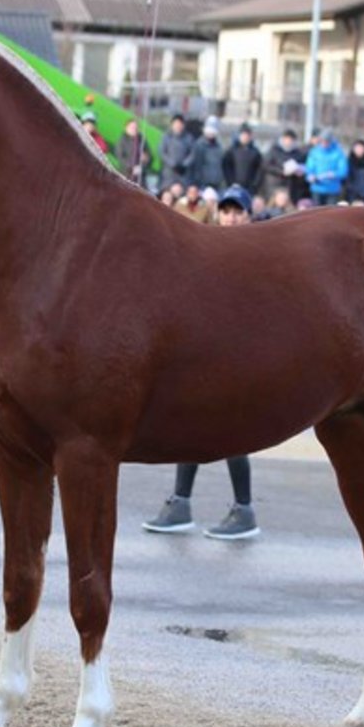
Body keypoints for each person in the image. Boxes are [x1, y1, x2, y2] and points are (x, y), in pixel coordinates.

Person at [143, 185, 260, 540]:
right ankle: (181, 504)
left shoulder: (256, 250)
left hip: (239, 353)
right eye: (226, 210)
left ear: (248, 215)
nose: (230, 217)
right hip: (207, 352)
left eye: (237, 211)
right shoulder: (207, 245)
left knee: (232, 430)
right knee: (191, 425)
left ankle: (244, 510)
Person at [262, 129, 307, 206]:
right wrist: (281, 171)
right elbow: (266, 165)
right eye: (287, 139)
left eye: (291, 140)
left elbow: (302, 167)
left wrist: (298, 171)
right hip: (275, 184)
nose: (289, 141)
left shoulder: (298, 153)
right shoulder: (274, 150)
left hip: (291, 186)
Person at [304, 130, 346, 206]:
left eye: (326, 141)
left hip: (332, 189)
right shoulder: (314, 152)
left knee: (330, 214)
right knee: (317, 214)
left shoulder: (338, 152)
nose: (324, 143)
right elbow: (309, 168)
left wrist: (333, 174)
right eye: (322, 141)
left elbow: (343, 171)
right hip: (317, 189)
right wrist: (310, 176)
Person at [221, 125, 263, 195]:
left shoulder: (255, 152)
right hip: (233, 187)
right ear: (239, 135)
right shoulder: (231, 150)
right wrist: (230, 183)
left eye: (247, 135)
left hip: (249, 188)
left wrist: (254, 186)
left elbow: (259, 170)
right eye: (243, 135)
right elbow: (226, 167)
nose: (245, 137)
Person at [188, 117, 226, 191]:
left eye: (213, 131)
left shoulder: (219, 146)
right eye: (209, 131)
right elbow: (196, 166)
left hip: (216, 184)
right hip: (202, 184)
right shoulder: (199, 145)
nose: (211, 133)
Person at [158, 114, 193, 193]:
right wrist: (173, 164)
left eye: (180, 124)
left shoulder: (188, 138)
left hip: (183, 174)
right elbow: (162, 152)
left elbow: (192, 154)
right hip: (168, 174)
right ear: (172, 125)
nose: (178, 126)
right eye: (176, 124)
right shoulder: (166, 137)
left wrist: (184, 165)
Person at [114, 118, 152, 188]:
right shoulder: (122, 140)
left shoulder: (142, 140)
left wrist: (145, 159)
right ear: (126, 128)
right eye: (132, 127)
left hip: (140, 176)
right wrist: (132, 167)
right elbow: (120, 157)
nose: (134, 129)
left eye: (136, 128)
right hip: (126, 174)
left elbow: (150, 157)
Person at [342, 140, 364, 206]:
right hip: (351, 195)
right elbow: (346, 179)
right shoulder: (348, 162)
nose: (359, 150)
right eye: (357, 148)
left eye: (361, 148)